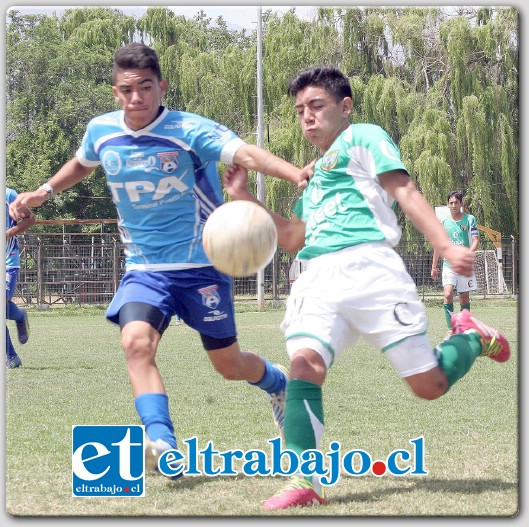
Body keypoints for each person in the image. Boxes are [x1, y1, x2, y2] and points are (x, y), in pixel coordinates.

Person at [8, 42, 305, 474]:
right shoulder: (101, 131)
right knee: (135, 343)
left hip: (202, 266)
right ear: (115, 92)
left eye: (145, 88)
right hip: (145, 270)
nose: (136, 98)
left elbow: (246, 154)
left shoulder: (188, 130)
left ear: (161, 87)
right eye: (127, 90)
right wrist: (45, 191)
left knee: (229, 364)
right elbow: (83, 162)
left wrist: (295, 172)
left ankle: (277, 383)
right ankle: (163, 442)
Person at [223, 66, 510, 510]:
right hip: (316, 276)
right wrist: (245, 200)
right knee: (304, 364)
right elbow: (293, 238)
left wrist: (445, 245)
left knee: (428, 386)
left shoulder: (364, 138)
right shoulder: (312, 176)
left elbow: (406, 189)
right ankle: (304, 479)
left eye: (316, 106)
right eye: (300, 110)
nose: (307, 117)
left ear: (345, 107)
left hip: (373, 270)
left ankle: (472, 337)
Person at [431, 191, 479, 332]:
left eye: (456, 202)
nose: (453, 205)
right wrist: (434, 266)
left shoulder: (470, 219)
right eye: (450, 203)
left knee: (464, 298)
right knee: (447, 294)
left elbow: (475, 240)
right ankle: (451, 329)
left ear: (461, 203)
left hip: (464, 265)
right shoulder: (444, 223)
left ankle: (464, 329)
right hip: (448, 265)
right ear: (448, 205)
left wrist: (468, 255)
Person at [5, 187, 35, 368]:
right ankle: (19, 315)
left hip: (8, 263)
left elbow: (30, 219)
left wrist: (10, 232)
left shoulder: (8, 195)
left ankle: (12, 357)